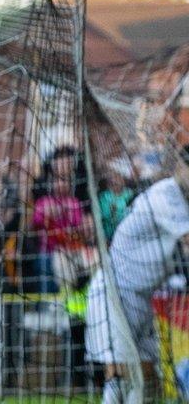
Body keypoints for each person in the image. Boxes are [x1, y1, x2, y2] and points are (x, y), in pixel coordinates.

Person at [85, 172, 189, 404]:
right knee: (119, 370)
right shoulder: (166, 195)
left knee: (145, 374)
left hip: (141, 296)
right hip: (115, 290)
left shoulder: (180, 198)